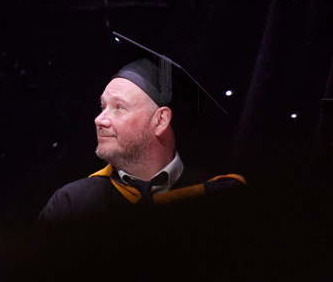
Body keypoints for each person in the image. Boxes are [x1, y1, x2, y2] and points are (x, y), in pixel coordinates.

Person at [40, 34, 245, 222]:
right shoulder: (71, 205)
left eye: (119, 107)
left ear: (161, 120)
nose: (99, 120)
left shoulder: (216, 198)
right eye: (103, 107)